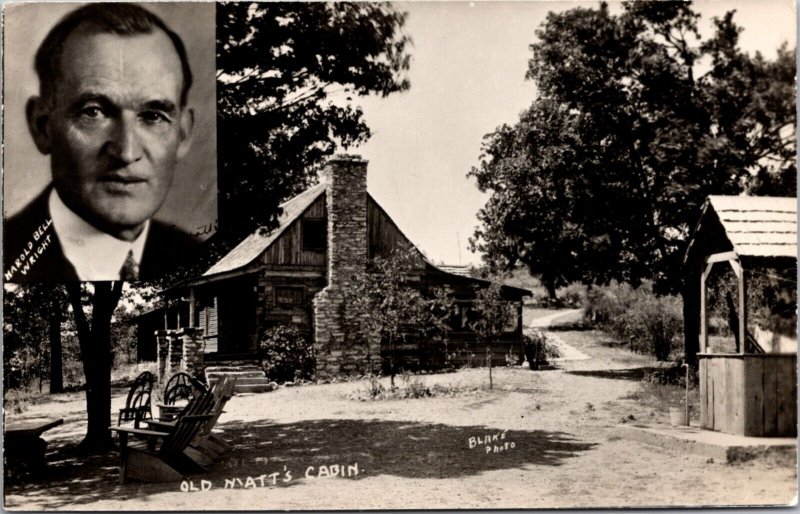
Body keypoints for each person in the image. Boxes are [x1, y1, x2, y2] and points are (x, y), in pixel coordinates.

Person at [3, 3, 199, 283]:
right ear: (42, 126)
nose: (126, 152)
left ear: (183, 134)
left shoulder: (201, 260)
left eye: (153, 116)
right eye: (93, 112)